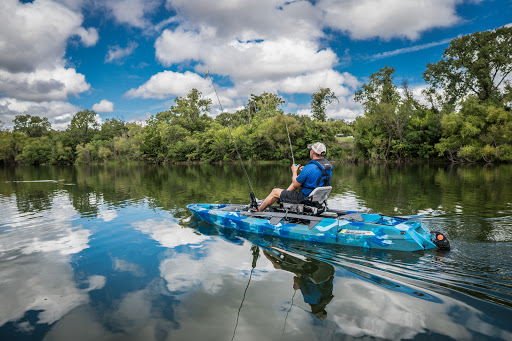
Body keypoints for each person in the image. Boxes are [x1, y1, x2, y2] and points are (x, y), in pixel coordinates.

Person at [257, 142, 333, 212]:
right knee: (296, 182)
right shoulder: (328, 168)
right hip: (317, 200)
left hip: (305, 199)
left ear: (312, 152)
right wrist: (304, 171)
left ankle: (259, 211)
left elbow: (295, 184)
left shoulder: (309, 167)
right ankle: (282, 198)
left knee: (275, 191)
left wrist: (294, 171)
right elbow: (316, 178)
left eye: (310, 150)